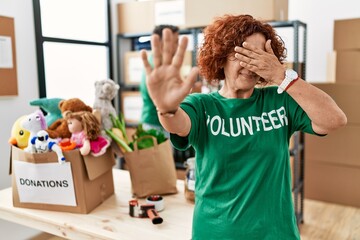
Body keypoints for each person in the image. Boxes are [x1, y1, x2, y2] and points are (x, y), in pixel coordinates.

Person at [141, 14, 347, 239]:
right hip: (216, 233)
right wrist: (166, 109)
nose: (251, 64)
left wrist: (282, 76)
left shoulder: (279, 100)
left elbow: (334, 119)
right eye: (243, 53)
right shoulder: (202, 106)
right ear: (222, 56)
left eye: (259, 55)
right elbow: (179, 123)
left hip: (276, 234)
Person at [140, 24, 180, 137]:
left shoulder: (158, 64)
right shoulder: (155, 68)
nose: (178, 46)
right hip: (156, 124)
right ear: (163, 43)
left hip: (156, 122)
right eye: (176, 41)